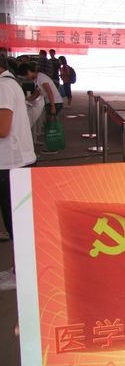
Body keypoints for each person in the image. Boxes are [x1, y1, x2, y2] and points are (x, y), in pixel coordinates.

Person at [0, 54, 36, 246]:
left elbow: (3, 129)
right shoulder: (10, 83)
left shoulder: (3, 87)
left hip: (10, 163)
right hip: (16, 160)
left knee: (17, 224)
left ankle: (23, 263)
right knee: (19, 221)